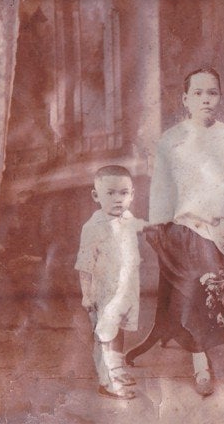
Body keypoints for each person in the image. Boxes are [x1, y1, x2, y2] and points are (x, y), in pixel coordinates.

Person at [125, 67, 224, 396]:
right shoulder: (171, 140)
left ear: (220, 97)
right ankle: (200, 364)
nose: (206, 99)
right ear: (185, 99)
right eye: (198, 93)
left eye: (212, 92)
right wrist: (160, 231)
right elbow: (161, 190)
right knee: (199, 281)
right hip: (187, 229)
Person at [75, 165, 147, 400]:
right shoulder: (92, 228)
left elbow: (139, 226)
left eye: (124, 193)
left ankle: (116, 369)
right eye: (110, 193)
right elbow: (84, 265)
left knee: (119, 331)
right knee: (105, 336)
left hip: (125, 292)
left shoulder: (127, 218)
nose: (118, 199)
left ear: (132, 194)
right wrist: (87, 295)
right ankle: (107, 382)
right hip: (104, 293)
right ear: (96, 196)